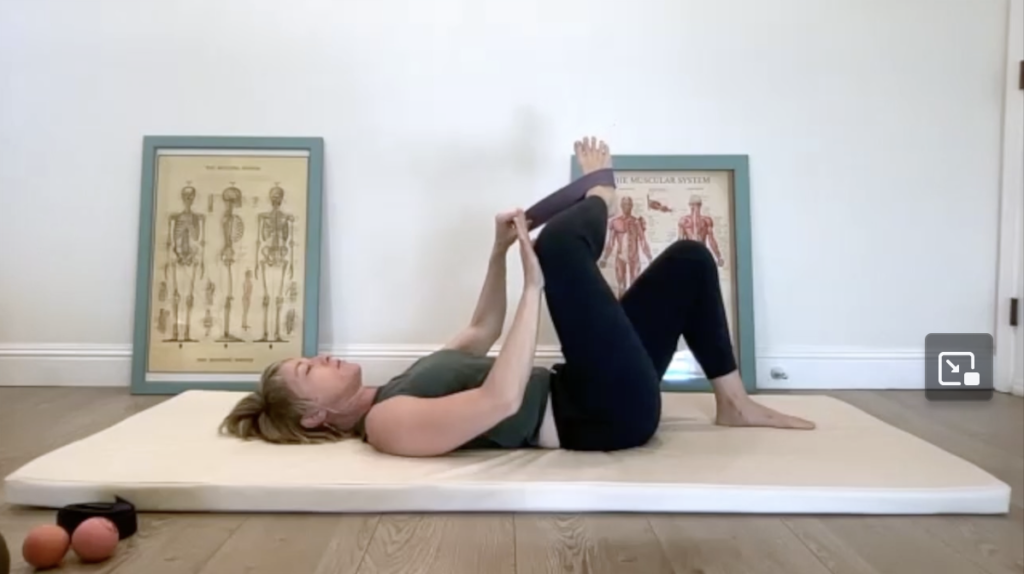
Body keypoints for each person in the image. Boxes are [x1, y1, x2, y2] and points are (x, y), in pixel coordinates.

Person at [220, 136, 815, 456]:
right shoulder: (388, 425)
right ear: (317, 415)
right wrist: (535, 286)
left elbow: (479, 332)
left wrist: (498, 254)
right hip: (604, 415)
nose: (320, 356)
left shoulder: (399, 383)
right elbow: (502, 400)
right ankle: (603, 193)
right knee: (558, 246)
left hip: (587, 385)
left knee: (687, 260)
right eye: (308, 369)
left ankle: (733, 402)